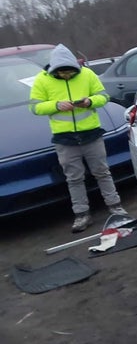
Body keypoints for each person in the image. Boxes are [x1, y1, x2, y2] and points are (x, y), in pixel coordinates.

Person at [29, 44, 127, 232]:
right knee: (74, 178)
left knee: (102, 172)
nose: (66, 75)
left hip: (91, 133)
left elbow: (104, 96)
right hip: (64, 139)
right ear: (54, 69)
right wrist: (56, 105)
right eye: (62, 72)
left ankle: (115, 206)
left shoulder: (88, 74)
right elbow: (34, 107)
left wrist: (90, 101)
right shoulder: (42, 80)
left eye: (70, 72)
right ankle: (82, 215)